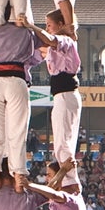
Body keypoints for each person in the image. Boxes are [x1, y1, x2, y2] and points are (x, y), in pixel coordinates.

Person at [0, 11, 42, 181]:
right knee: (17, 132)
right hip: (16, 79)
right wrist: (28, 25)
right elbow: (44, 45)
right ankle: (19, 172)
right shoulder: (26, 31)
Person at [33, 12, 82, 166]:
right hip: (62, 94)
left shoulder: (65, 40)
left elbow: (49, 39)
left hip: (65, 93)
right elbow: (43, 46)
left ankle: (66, 175)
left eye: (49, 24)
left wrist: (30, 25)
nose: (47, 27)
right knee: (62, 138)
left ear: (60, 25)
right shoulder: (55, 48)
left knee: (63, 140)